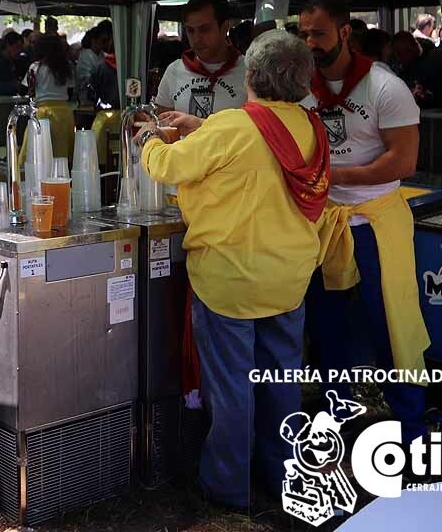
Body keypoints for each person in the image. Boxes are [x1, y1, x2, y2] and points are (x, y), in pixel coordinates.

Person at [139, 30, 331, 511]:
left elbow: (168, 166)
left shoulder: (231, 126)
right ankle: (283, 478)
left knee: (231, 393)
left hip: (230, 281)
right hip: (288, 280)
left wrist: (149, 139)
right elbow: (259, 146)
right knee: (282, 388)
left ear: (251, 75)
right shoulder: (311, 126)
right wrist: (199, 126)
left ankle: (227, 490)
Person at [297, 0, 429, 446]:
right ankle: (336, 416)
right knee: (326, 324)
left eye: (318, 34)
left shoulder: (385, 87)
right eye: (303, 34)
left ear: (345, 31)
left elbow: (404, 161)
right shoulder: (300, 88)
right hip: (324, 221)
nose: (309, 43)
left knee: (390, 323)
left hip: (375, 220)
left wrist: (328, 175)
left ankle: (412, 428)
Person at [155, 0, 247, 133]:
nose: (197, 38)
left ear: (224, 28)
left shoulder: (250, 72)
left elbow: (257, 129)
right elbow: (163, 125)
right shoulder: (174, 70)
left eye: (205, 29)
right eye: (190, 30)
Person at [24, 32, 76, 159]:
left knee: (39, 155)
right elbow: (70, 91)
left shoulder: (35, 68)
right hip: (63, 114)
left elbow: (28, 90)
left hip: (42, 113)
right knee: (61, 155)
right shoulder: (66, 67)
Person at [75, 26, 109, 102]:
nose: (106, 44)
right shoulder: (85, 56)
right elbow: (86, 79)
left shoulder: (103, 55)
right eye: (103, 41)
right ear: (93, 41)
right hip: (88, 99)